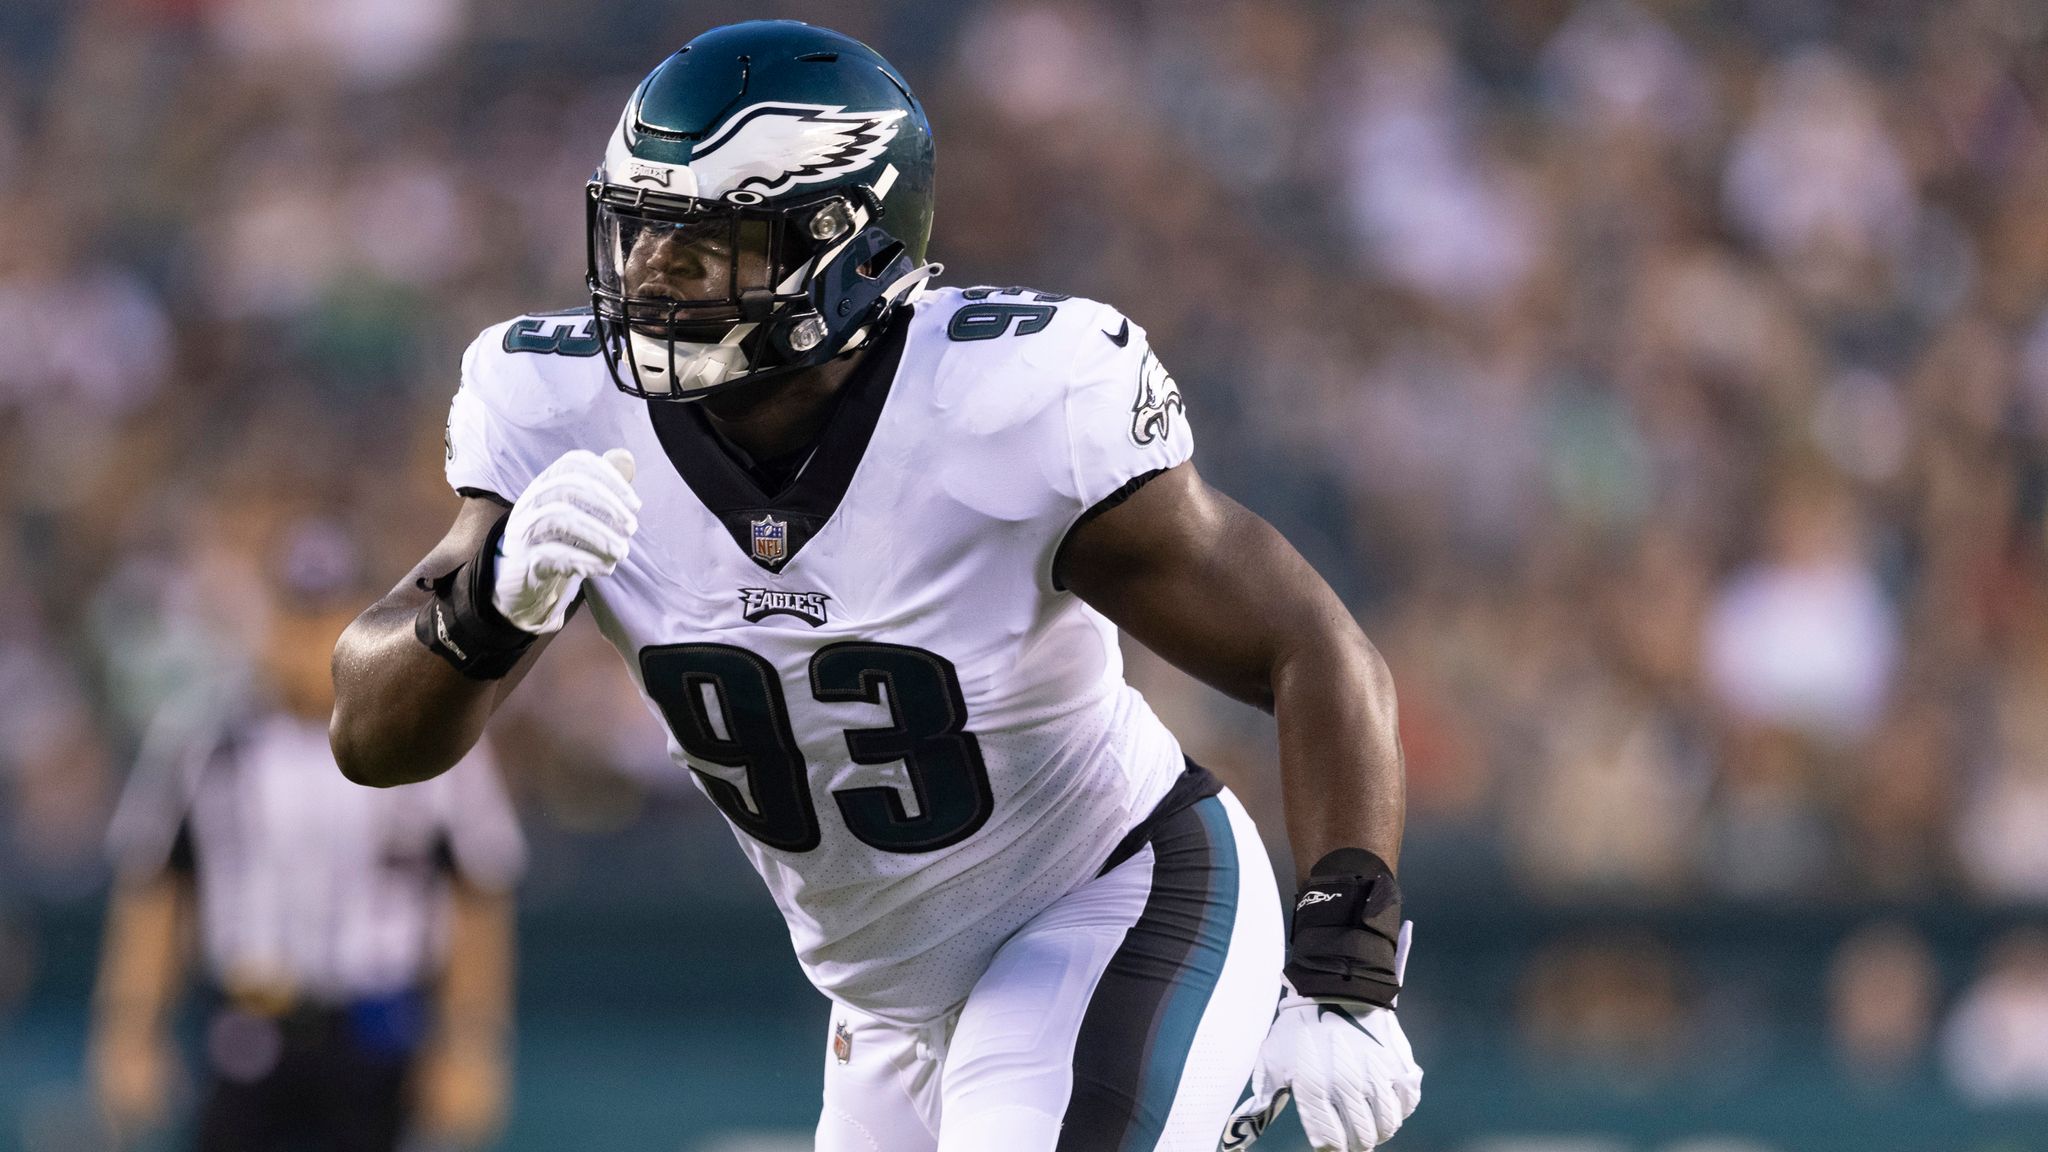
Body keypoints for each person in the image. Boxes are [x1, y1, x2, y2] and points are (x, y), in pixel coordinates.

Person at [330, 20, 1420, 1152]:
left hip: (1108, 895)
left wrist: (1346, 969)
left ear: (843, 252)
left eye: (704, 249)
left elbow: (1311, 646)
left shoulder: (1011, 401)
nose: (650, 278)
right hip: (883, 999)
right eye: (638, 234)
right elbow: (369, 736)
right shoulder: (554, 408)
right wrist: (489, 604)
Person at [92, 523, 524, 1152]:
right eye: (298, 613)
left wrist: (472, 1045)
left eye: (331, 614)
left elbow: (478, 891)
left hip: (381, 1030)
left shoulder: (426, 733)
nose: (312, 638)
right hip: (249, 1021)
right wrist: (130, 1032)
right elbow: (156, 890)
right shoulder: (204, 736)